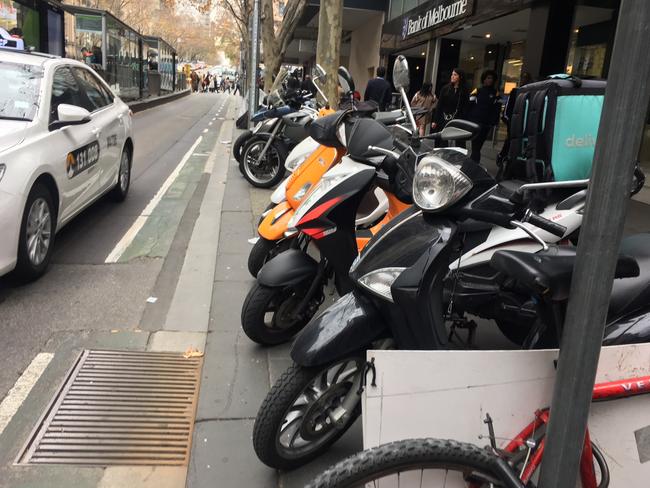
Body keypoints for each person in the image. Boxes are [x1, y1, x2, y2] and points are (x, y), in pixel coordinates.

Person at [497, 71, 532, 174]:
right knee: (510, 144)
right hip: (514, 124)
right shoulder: (515, 92)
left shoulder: (532, 93)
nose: (524, 80)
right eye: (523, 78)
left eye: (527, 78)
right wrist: (510, 123)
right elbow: (507, 111)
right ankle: (503, 161)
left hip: (526, 125)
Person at [467, 69, 502, 163]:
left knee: (478, 146)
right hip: (475, 122)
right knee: (475, 145)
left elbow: (497, 109)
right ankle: (474, 163)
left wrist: (494, 122)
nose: (490, 80)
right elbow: (469, 104)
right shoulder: (477, 90)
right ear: (484, 79)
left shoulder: (496, 93)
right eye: (488, 78)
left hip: (486, 124)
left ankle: (473, 163)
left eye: (492, 78)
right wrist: (469, 118)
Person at [432, 68, 469, 146]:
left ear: (460, 77)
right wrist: (435, 120)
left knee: (459, 141)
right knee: (442, 140)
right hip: (444, 118)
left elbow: (465, 107)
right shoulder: (445, 89)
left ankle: (457, 156)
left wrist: (465, 121)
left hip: (458, 119)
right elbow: (439, 105)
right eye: (452, 74)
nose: (452, 76)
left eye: (455, 75)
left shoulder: (464, 90)